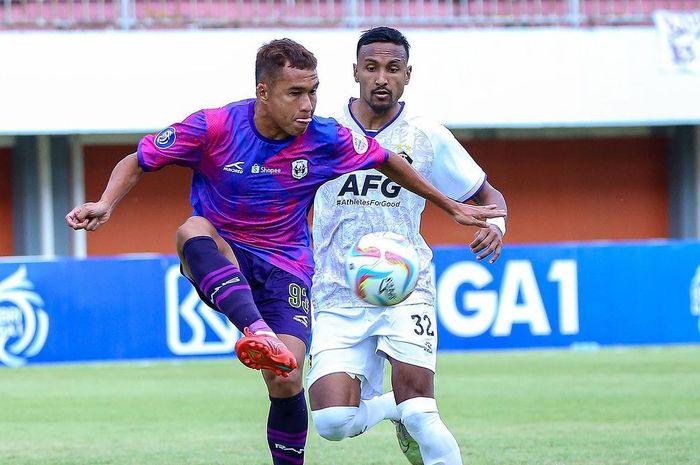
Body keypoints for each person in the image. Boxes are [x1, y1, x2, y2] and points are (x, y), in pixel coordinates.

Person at [65, 38, 504, 465]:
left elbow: (385, 159)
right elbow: (138, 159)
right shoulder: (214, 126)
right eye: (295, 93)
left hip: (287, 268)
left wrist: (450, 207)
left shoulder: (325, 137)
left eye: (314, 91)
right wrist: (105, 203)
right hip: (224, 252)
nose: (308, 104)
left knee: (287, 375)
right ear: (263, 91)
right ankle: (258, 330)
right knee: (192, 228)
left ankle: (280, 373)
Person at [307, 27, 508, 465]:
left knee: (423, 410)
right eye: (373, 68)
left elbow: (490, 198)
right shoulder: (321, 133)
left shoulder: (426, 135)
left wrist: (499, 224)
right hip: (335, 291)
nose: (382, 77)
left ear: (408, 75)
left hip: (406, 287)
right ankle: (391, 406)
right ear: (355, 72)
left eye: (393, 69)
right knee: (332, 422)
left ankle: (409, 409)